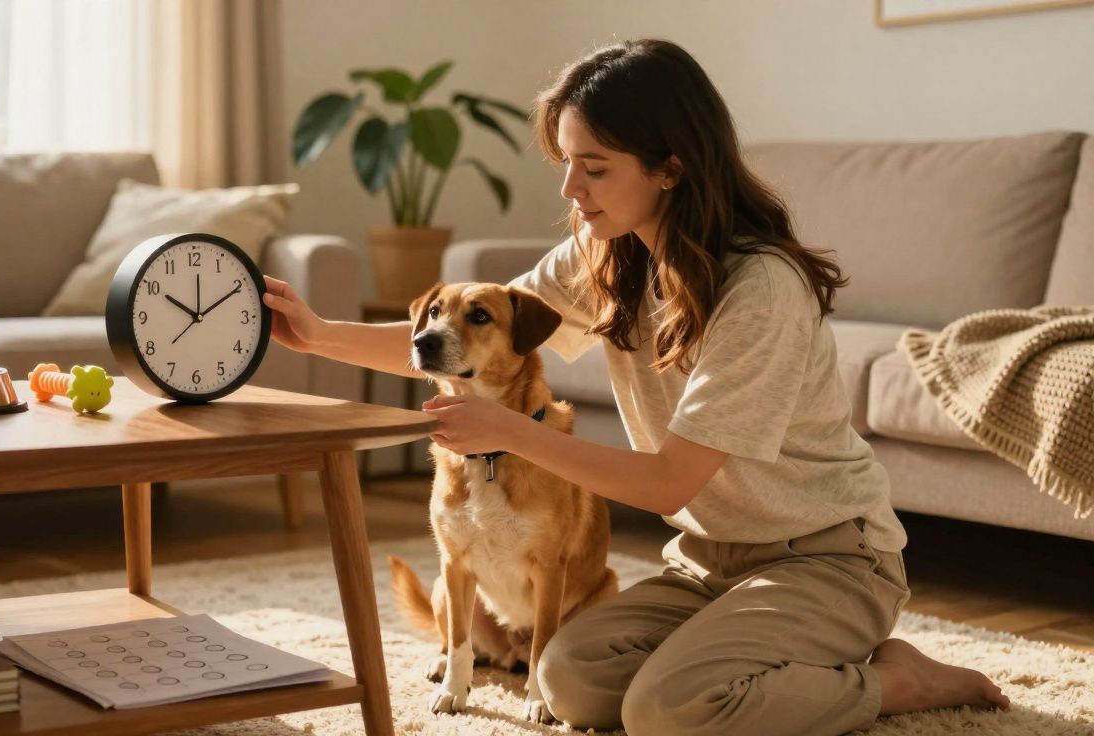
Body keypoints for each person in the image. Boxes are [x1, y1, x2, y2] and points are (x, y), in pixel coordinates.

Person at [262, 38, 1009, 736]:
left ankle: (897, 683)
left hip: (826, 558)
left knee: (670, 708)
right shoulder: (607, 254)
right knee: (569, 682)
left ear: (670, 169)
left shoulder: (761, 290)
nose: (570, 188)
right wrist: (318, 333)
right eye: (565, 162)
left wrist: (515, 433)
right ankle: (756, 650)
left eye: (593, 167)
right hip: (710, 558)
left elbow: (667, 482)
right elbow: (473, 344)